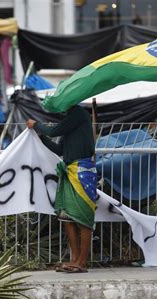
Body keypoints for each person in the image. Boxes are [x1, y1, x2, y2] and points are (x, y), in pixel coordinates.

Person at [27, 105, 97, 273]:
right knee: (66, 216)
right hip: (68, 172)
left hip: (82, 172)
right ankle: (74, 259)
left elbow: (54, 131)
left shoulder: (79, 114)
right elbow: (59, 149)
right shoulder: (70, 122)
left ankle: (82, 262)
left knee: (82, 218)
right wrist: (41, 137)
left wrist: (36, 125)